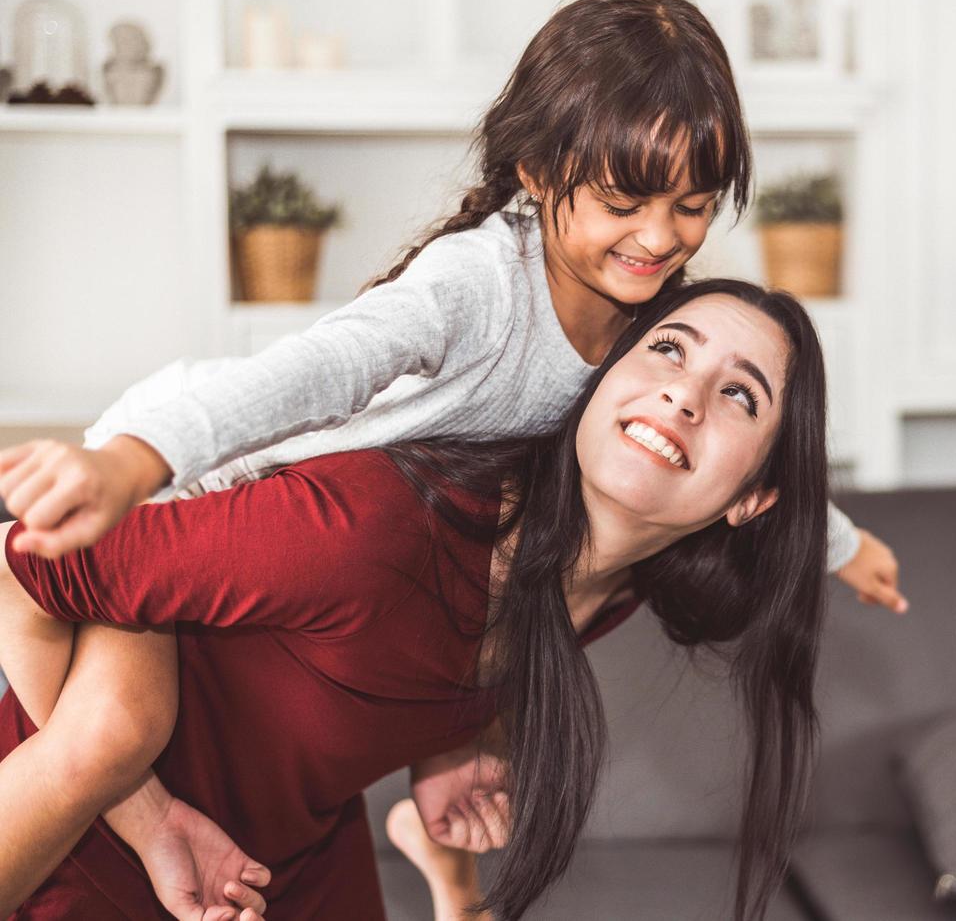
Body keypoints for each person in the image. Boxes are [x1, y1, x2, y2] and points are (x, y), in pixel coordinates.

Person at [0, 0, 905, 616]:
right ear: (539, 172)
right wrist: (129, 461)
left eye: (694, 206)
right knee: (108, 739)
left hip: (292, 539)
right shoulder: (477, 286)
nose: (660, 238)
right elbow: (322, 368)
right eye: (624, 203)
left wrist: (839, 545)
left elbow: (735, 439)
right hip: (189, 474)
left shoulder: (654, 322)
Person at [0, 279, 830, 921]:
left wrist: (467, 738)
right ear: (601, 380)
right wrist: (139, 800)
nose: (685, 394)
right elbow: (22, 565)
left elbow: (429, 655)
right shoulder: (372, 529)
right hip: (82, 845)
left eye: (739, 394)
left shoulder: (612, 591)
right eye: (669, 350)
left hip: (284, 865)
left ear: (754, 499)